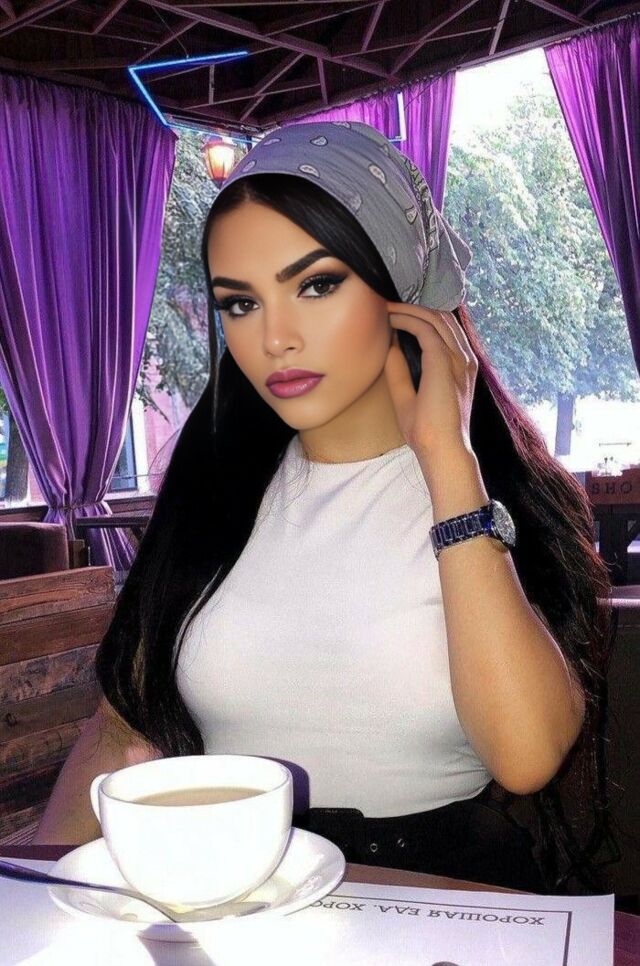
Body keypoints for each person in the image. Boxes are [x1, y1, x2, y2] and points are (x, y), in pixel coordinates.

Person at [34, 121, 614, 894]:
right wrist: (33, 896)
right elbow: (119, 727)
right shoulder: (213, 488)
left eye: (315, 285)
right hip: (232, 892)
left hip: (437, 901)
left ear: (402, 290)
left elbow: (527, 755)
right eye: (240, 303)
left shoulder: (489, 492)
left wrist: (448, 462)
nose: (274, 338)